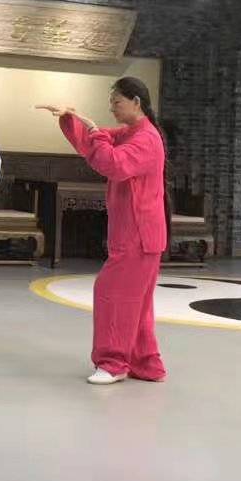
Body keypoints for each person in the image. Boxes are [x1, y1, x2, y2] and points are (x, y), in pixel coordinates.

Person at [37, 76, 169, 385]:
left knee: (113, 294)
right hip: (138, 233)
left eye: (116, 102)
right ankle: (146, 363)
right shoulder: (132, 133)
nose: (112, 107)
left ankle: (113, 363)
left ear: (136, 102)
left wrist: (95, 131)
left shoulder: (146, 139)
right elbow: (94, 142)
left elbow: (113, 163)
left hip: (138, 235)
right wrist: (71, 118)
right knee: (136, 303)